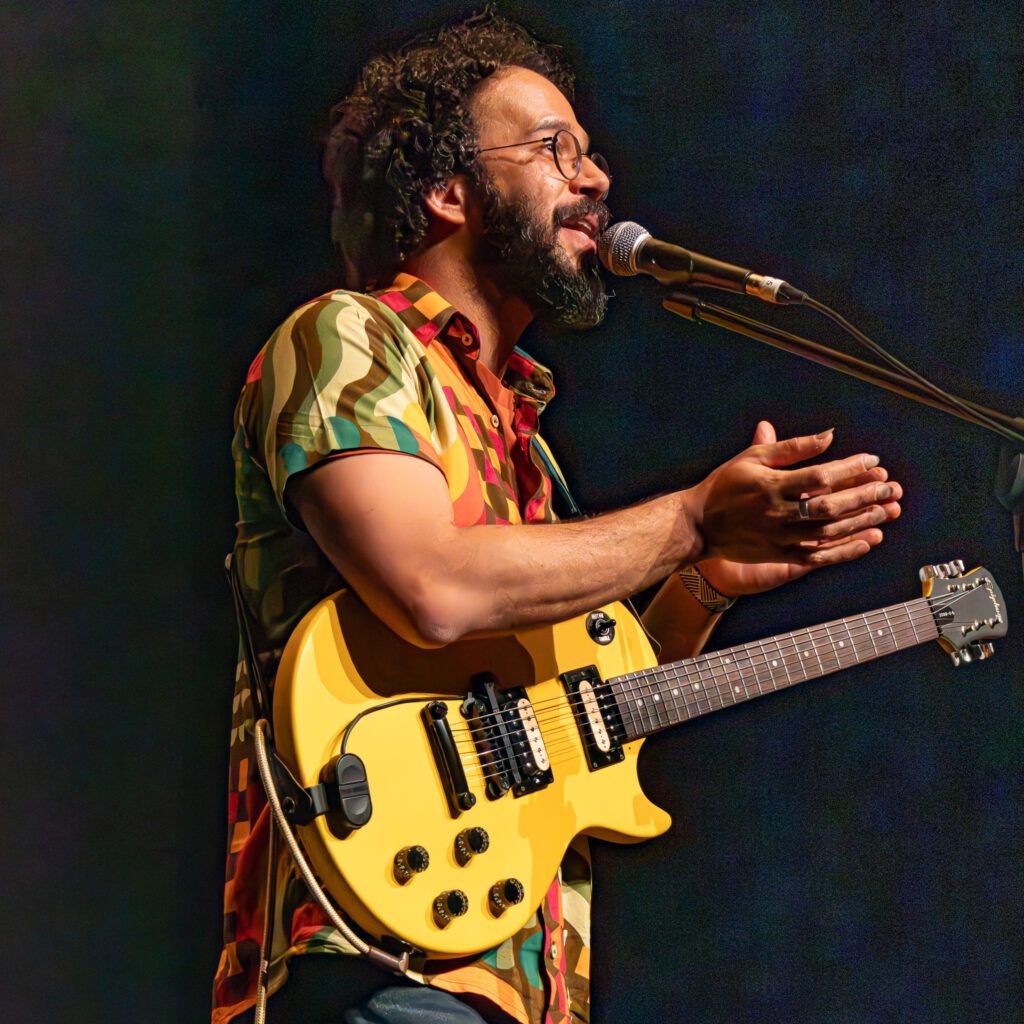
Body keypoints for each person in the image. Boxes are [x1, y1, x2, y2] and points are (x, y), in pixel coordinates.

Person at [212, 13, 902, 1024]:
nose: (596, 180)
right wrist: (688, 520)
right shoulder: (348, 338)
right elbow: (432, 588)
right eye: (554, 149)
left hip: (523, 980)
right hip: (375, 961)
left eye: (590, 154)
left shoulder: (525, 447)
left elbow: (579, 713)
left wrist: (704, 582)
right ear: (447, 190)